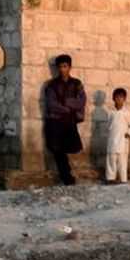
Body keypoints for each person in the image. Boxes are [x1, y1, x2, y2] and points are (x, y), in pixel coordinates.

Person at [44, 54, 86, 186]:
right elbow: (52, 103)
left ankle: (68, 173)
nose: (63, 69)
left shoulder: (77, 83)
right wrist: (67, 109)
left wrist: (68, 102)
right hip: (56, 122)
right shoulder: (52, 85)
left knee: (73, 147)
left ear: (70, 67)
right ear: (57, 68)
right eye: (60, 67)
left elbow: (82, 101)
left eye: (65, 66)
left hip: (69, 122)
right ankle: (67, 177)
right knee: (58, 150)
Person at [106, 87, 130, 183]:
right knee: (111, 159)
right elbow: (109, 125)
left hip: (122, 139)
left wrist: (129, 134)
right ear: (113, 98)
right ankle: (110, 178)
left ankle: (123, 179)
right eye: (117, 97)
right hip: (112, 139)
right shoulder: (110, 112)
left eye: (121, 97)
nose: (119, 99)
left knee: (122, 160)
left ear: (124, 99)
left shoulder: (127, 113)